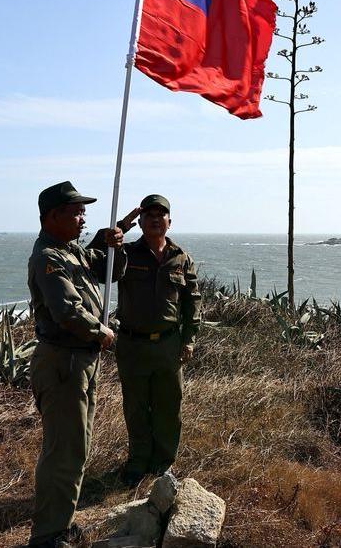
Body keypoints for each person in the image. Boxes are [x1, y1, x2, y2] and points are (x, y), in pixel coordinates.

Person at [27, 181, 138, 548]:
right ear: (53, 216)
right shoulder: (48, 257)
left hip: (80, 363)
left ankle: (62, 522)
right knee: (64, 450)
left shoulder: (70, 250)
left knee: (78, 445)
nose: (83, 216)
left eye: (84, 211)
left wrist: (115, 241)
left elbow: (110, 270)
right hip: (63, 362)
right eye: (76, 211)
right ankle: (47, 535)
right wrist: (102, 332)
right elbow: (67, 311)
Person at [114, 193, 201, 486]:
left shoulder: (181, 259)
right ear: (139, 221)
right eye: (148, 215)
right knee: (136, 408)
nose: (154, 219)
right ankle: (138, 462)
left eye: (160, 215)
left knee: (168, 408)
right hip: (132, 345)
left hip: (168, 345)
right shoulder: (124, 254)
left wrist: (189, 339)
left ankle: (162, 463)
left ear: (169, 221)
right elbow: (98, 266)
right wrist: (117, 229)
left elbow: (193, 302)